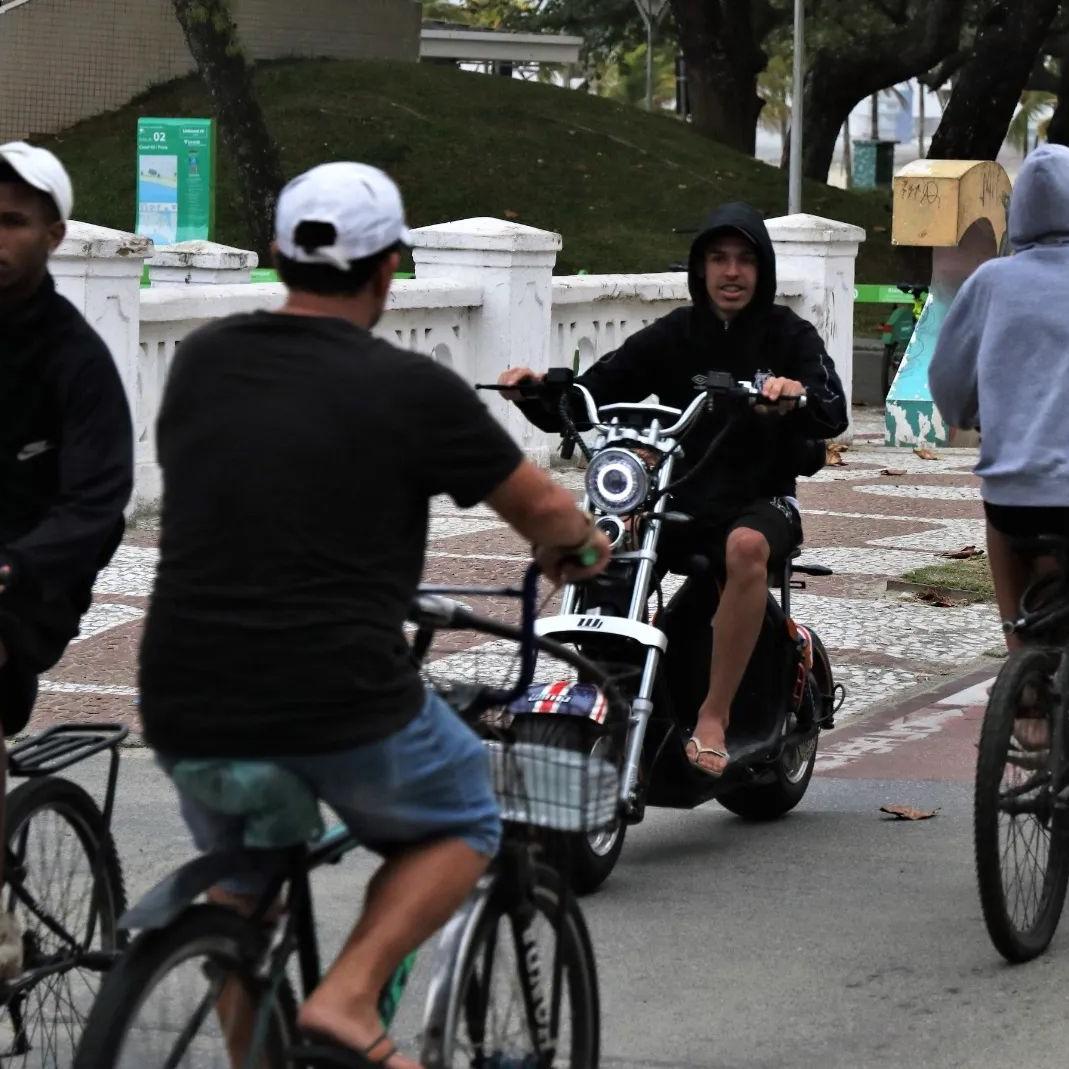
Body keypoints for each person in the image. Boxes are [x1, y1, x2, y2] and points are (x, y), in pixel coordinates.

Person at [138, 161, 610, 1069]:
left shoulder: (201, 358)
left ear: (278, 254)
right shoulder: (412, 390)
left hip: (182, 696)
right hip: (333, 695)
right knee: (466, 814)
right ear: (390, 266)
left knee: (244, 896)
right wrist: (585, 549)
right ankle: (350, 999)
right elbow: (546, 512)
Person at [500, 202, 848, 777]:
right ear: (700, 268)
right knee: (603, 547)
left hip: (763, 501)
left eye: (743, 260)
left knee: (744, 548)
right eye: (718, 259)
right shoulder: (674, 335)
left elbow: (830, 410)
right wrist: (538, 392)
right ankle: (611, 692)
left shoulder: (790, 334)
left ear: (762, 269)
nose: (731, 272)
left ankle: (714, 717)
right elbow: (591, 395)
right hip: (677, 497)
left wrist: (794, 397)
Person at [0, 142, 133, 971]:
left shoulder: (77, 358)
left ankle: (0, 933)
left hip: (31, 582)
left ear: (54, 233)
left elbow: (95, 504)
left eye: (12, 221)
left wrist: (15, 565)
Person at [930, 142, 1069, 658]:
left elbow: (948, 374)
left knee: (1000, 515)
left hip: (1018, 498)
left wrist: (963, 414)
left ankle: (1017, 648)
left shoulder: (992, 281)